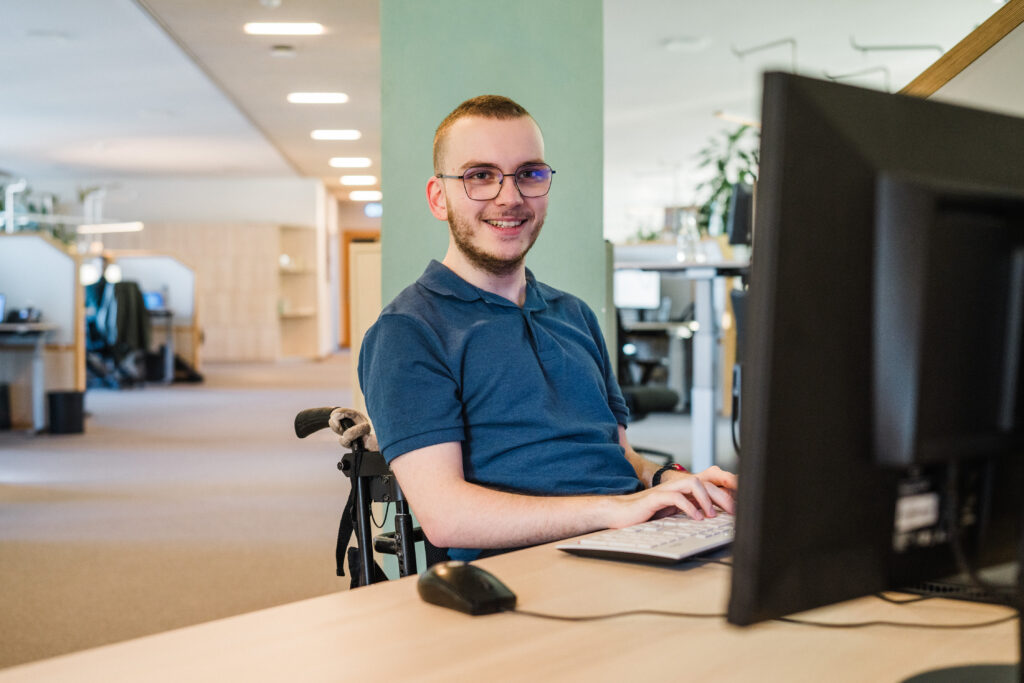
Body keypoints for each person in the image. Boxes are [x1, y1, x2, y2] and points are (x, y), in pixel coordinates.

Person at [359, 95, 736, 562]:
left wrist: (669, 482)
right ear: (440, 198)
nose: (510, 197)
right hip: (533, 570)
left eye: (529, 174)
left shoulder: (574, 314)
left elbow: (622, 456)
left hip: (631, 539)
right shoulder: (408, 331)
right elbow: (445, 515)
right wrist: (616, 511)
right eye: (480, 176)